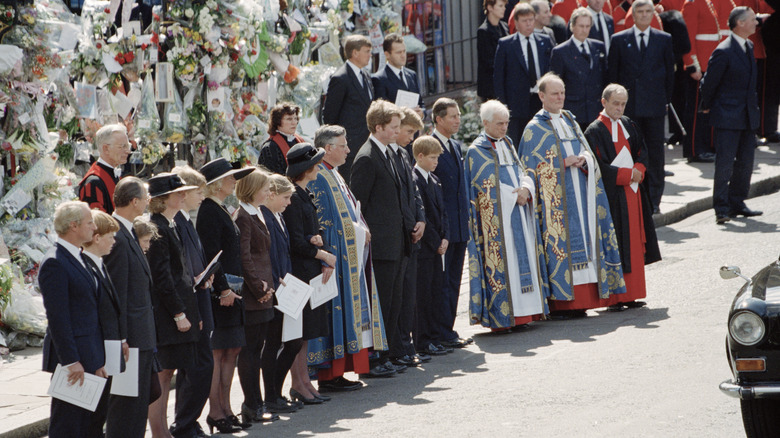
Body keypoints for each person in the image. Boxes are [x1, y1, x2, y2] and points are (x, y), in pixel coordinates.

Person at [519, 73, 626, 318]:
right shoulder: (533, 129)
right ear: (542, 96)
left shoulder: (570, 120)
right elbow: (528, 168)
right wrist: (560, 163)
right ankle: (562, 303)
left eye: (563, 92)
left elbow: (588, 153)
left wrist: (584, 160)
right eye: (555, 93)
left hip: (581, 194)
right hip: (556, 204)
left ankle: (586, 299)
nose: (560, 97)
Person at [307, 125, 388, 391]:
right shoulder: (319, 175)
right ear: (328, 148)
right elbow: (325, 222)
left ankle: (341, 371)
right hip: (334, 258)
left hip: (347, 255)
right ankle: (330, 375)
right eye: (343, 145)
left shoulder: (335, 174)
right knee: (334, 315)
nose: (348, 150)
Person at [466, 100, 550, 331]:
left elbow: (522, 171)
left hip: (520, 213)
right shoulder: (476, 151)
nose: (504, 128)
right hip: (498, 222)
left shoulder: (508, 143)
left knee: (523, 262)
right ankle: (506, 317)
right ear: (485, 123)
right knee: (507, 265)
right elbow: (482, 189)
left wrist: (526, 189)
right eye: (500, 124)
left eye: (506, 123)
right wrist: (514, 196)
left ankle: (525, 314)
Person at [584, 84, 662, 310]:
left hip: (634, 194)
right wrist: (627, 174)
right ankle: (615, 298)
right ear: (604, 102)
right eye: (615, 103)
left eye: (623, 104)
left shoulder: (629, 124)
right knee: (616, 244)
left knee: (635, 243)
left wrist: (639, 169)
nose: (619, 108)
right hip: (612, 197)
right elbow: (597, 166)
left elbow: (642, 152)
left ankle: (633, 294)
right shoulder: (594, 131)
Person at [350, 100, 408, 376]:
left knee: (393, 302)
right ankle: (374, 359)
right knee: (380, 303)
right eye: (393, 127)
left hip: (396, 242)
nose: (398, 131)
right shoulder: (366, 157)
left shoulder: (386, 152)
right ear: (378, 127)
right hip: (380, 245)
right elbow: (359, 205)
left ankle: (388, 352)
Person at [197, 158, 253, 433]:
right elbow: (211, 254)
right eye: (230, 178)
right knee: (219, 353)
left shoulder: (220, 207)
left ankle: (227, 407)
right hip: (222, 293)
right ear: (216, 183)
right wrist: (223, 289)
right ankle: (215, 410)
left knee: (233, 350)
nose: (234, 182)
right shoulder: (208, 210)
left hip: (233, 290)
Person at [39, 201, 104, 438]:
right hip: (74, 359)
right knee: (68, 426)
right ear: (74, 226)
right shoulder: (55, 262)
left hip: (89, 353)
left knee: (87, 425)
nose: (94, 227)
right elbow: (58, 317)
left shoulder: (77, 256)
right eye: (89, 222)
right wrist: (70, 360)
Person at [145, 173, 202, 438]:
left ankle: (162, 430)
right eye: (178, 193)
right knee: (164, 374)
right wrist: (179, 313)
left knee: (170, 373)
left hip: (178, 308)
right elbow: (163, 278)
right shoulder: (158, 228)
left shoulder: (168, 224)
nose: (183, 196)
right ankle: (159, 432)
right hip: (168, 313)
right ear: (163, 199)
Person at [283, 143, 338, 403]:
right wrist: (322, 253)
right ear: (305, 169)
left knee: (305, 334)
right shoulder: (293, 197)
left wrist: (317, 241)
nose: (318, 167)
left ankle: (304, 382)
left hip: (309, 270)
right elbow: (296, 241)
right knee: (298, 334)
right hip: (300, 271)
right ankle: (299, 383)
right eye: (315, 163)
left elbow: (309, 233)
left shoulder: (302, 194)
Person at [608, 0, 675, 213]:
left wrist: (665, 101)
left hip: (654, 107)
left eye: (648, 12)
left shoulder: (663, 39)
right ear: (633, 15)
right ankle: (634, 197)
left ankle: (654, 200)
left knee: (655, 153)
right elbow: (613, 75)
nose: (645, 15)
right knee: (631, 153)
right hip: (629, 109)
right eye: (640, 12)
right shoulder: (619, 40)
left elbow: (670, 76)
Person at [700, 7, 763, 224]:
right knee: (725, 163)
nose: (757, 22)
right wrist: (707, 105)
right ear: (740, 23)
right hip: (727, 115)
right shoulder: (724, 50)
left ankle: (738, 202)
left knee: (745, 162)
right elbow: (708, 83)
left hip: (747, 115)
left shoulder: (749, 46)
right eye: (753, 19)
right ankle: (721, 207)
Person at [104, 177, 156, 438]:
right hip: (131, 339)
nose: (148, 202)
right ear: (135, 202)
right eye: (146, 198)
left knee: (138, 405)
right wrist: (121, 337)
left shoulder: (128, 232)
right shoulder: (117, 237)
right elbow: (117, 294)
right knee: (127, 408)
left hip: (141, 334)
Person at [171, 166, 217, 437]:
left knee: (201, 365)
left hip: (200, 294)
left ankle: (188, 421)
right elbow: (180, 268)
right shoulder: (176, 222)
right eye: (198, 192)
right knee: (197, 366)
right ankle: (184, 422)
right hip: (192, 300)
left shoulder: (186, 219)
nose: (202, 196)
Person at [234, 169, 277, 422]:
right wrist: (258, 288)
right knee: (250, 351)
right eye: (265, 188)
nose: (269, 192)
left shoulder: (256, 212)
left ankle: (256, 402)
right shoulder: (243, 216)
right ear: (252, 189)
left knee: (257, 349)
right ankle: (252, 403)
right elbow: (245, 257)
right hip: (254, 294)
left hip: (264, 290)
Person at [260, 174, 306, 412]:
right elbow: (267, 254)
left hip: (286, 286)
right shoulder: (265, 217)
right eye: (285, 197)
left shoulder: (276, 215)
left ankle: (275, 392)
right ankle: (271, 396)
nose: (288, 202)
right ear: (271, 194)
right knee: (274, 343)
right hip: (276, 288)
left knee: (292, 341)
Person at [430, 98, 472, 352]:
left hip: (459, 226)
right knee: (442, 282)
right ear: (439, 119)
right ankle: (440, 330)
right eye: (452, 116)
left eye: (458, 115)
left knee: (455, 280)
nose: (457, 120)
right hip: (443, 229)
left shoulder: (455, 145)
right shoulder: (429, 145)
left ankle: (449, 328)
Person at [81, 210, 126, 437]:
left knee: (99, 416)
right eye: (111, 236)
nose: (114, 241)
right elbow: (90, 319)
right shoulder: (86, 266)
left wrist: (121, 340)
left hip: (107, 351)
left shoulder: (100, 263)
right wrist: (97, 360)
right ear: (97, 238)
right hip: (95, 357)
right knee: (89, 419)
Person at [389, 109, 427, 367]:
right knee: (397, 297)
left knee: (408, 293)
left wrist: (421, 219)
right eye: (409, 132)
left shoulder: (402, 154)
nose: (411, 138)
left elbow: (414, 192)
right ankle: (397, 347)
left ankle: (405, 343)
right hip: (394, 237)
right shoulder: (381, 156)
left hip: (411, 233)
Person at [410, 136, 451, 349]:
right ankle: (422, 340)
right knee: (422, 295)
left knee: (435, 292)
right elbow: (423, 215)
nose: (436, 162)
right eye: (433, 158)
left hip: (437, 246)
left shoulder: (434, 180)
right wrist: (436, 240)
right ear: (420, 156)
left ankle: (434, 337)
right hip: (425, 248)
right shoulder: (415, 178)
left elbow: (443, 213)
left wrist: (445, 237)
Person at [494, 2, 554, 145]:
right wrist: (503, 105)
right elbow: (498, 77)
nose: (528, 24)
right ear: (516, 22)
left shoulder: (544, 41)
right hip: (517, 104)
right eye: (524, 21)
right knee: (518, 142)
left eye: (531, 20)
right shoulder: (506, 44)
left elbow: (551, 70)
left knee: (542, 141)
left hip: (539, 100)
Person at [680, 0, 731, 163]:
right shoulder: (692, 4)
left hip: (708, 64)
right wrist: (692, 64)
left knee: (706, 110)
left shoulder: (706, 3)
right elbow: (687, 37)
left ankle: (706, 146)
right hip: (699, 65)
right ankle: (695, 150)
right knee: (696, 112)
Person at [322, 35, 375, 183]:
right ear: (355, 53)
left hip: (367, 142)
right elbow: (330, 115)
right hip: (350, 146)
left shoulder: (365, 75)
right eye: (367, 51)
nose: (370, 55)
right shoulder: (340, 78)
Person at [550, 7, 607, 131]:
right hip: (573, 111)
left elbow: (604, 77)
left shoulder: (598, 47)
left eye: (587, 26)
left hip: (595, 110)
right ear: (572, 26)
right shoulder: (560, 51)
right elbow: (555, 84)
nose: (584, 30)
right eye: (581, 26)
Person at [78, 124, 131, 214]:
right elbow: (98, 222)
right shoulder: (93, 182)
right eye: (122, 146)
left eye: (128, 146)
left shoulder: (114, 173)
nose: (127, 151)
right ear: (106, 149)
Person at [372, 33, 425, 116]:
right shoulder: (379, 79)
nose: (403, 55)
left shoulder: (412, 75)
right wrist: (404, 112)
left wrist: (422, 113)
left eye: (404, 51)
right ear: (387, 54)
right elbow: (382, 112)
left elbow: (421, 103)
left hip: (414, 127)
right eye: (398, 52)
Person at [257, 103, 304, 175]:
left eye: (295, 118)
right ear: (278, 122)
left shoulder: (299, 141)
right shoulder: (270, 147)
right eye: (289, 119)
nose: (294, 122)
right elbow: (271, 179)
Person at [477, 0, 509, 101]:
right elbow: (488, 61)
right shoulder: (483, 31)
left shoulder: (504, 26)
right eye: (500, 6)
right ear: (490, 7)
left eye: (504, 6)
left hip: (505, 83)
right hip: (490, 87)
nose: (504, 8)